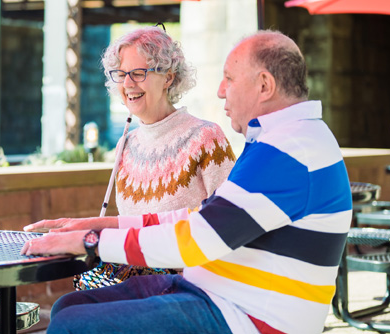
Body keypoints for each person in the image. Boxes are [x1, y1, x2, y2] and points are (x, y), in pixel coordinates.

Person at [22, 30, 352, 334]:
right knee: (69, 306)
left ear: (264, 86)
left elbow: (198, 239)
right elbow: (204, 216)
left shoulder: (288, 150)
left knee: (73, 325)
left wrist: (92, 242)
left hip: (244, 317)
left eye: (229, 78)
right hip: (216, 293)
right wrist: (100, 225)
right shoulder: (283, 140)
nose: (221, 89)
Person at [74, 26, 236, 290]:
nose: (127, 84)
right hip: (133, 284)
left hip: (190, 291)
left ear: (169, 78)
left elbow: (230, 227)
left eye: (138, 73)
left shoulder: (206, 138)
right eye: (121, 74)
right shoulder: (125, 145)